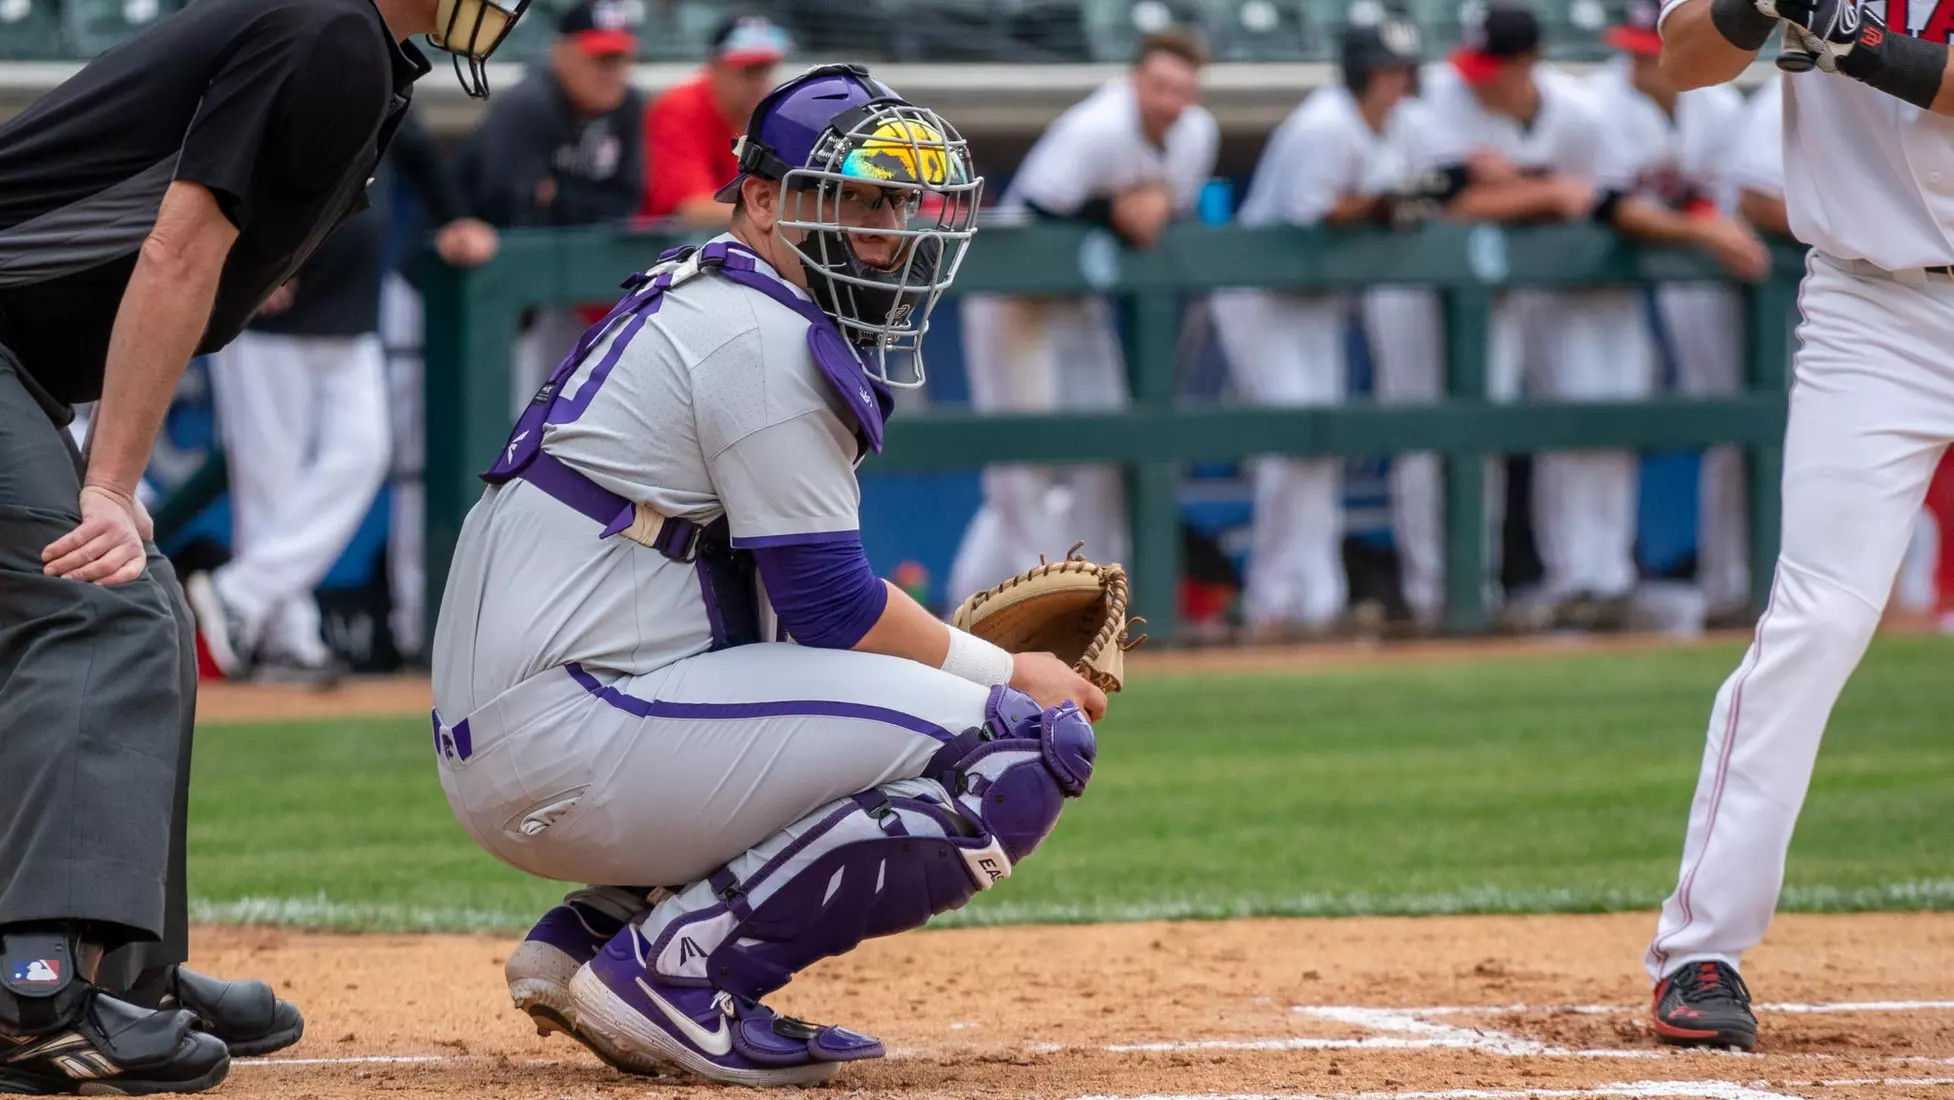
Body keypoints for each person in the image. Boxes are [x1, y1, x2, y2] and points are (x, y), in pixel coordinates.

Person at [430, 64, 1105, 1088]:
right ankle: (674, 970)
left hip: (553, 724)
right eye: (851, 197)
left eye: (893, 202)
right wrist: (1008, 673)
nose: (883, 228)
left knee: (884, 700)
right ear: (760, 200)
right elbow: (831, 604)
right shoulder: (760, 332)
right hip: (576, 729)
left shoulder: (716, 293)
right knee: (1022, 743)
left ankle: (596, 936)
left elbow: (782, 619)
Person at [0, 0, 529, 1085]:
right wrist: (110, 481)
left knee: (137, 599)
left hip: (24, 370)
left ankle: (124, 969)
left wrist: (105, 473)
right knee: (105, 606)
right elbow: (178, 249)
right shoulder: (324, 26)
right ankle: (36, 998)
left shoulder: (362, 52)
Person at [1647, 0, 1954, 1053]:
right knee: (1817, 621)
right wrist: (1754, 7)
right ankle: (1701, 947)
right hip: (1877, 310)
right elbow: (1683, 60)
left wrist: (1845, 33)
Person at [948, 29, 1218, 604]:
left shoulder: (1198, 134)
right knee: (1027, 458)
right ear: (1136, 81)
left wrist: (1154, 205)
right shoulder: (1095, 127)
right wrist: (1111, 211)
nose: (1170, 101)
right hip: (1017, 295)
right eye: (1159, 86)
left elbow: (1167, 213)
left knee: (1107, 440)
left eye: (1183, 90)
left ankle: (1094, 597)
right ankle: (1019, 602)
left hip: (1078, 300)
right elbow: (1040, 215)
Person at [1207, 17, 1424, 640]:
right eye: (1384, 71)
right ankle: (1273, 596)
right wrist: (1383, 204)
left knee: (1322, 441)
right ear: (1360, 72)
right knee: (1290, 438)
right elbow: (1314, 218)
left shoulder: (1403, 124)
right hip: (1261, 292)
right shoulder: (1324, 124)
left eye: (1402, 71)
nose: (1395, 84)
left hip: (1315, 300)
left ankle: (1319, 596)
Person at [1592, 0, 1773, 630]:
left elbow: (1731, 210)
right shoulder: (1599, 105)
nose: (1646, 61)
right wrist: (1699, 230)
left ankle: (1733, 579)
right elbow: (1606, 203)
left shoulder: (1718, 103)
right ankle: (1590, 580)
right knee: (1599, 421)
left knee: (1731, 417)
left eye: (1652, 45)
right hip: (1598, 280)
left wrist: (1704, 230)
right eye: (1637, 49)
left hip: (1699, 282)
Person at [456, 0, 645, 410]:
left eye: (619, 58)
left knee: (524, 408)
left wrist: (557, 194)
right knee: (435, 411)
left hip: (540, 295)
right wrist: (575, 201)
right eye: (599, 58)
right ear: (562, 54)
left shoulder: (627, 106)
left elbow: (623, 204)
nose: (611, 71)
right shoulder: (529, 104)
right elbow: (508, 204)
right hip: (450, 276)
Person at [638, 13, 794, 227]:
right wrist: (789, 214)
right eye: (748, 71)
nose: (758, 83)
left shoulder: (768, 117)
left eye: (765, 70)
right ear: (714, 67)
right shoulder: (679, 109)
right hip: (663, 251)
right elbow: (693, 210)